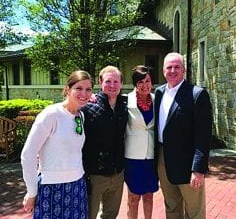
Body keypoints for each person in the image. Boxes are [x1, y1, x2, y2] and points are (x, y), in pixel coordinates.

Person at [21, 70, 93, 219]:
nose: (84, 93)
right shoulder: (51, 114)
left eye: (88, 89)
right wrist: (32, 191)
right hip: (51, 188)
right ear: (68, 88)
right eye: (79, 88)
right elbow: (28, 154)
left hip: (77, 187)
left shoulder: (81, 115)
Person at [154, 52, 213, 219]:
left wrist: (198, 169)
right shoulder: (159, 93)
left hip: (188, 163)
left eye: (177, 67)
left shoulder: (197, 94)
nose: (172, 70)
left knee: (195, 212)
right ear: (163, 70)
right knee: (171, 207)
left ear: (184, 70)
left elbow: (204, 136)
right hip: (163, 160)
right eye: (169, 67)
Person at [82, 66, 128, 219]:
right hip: (95, 174)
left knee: (110, 215)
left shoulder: (125, 105)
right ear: (100, 82)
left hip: (118, 173)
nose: (112, 85)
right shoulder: (87, 107)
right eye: (108, 81)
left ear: (121, 83)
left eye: (116, 81)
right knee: (89, 214)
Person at [124, 66, 159, 219]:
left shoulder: (157, 99)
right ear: (135, 84)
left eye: (148, 81)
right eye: (140, 82)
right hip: (133, 157)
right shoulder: (125, 100)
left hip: (151, 156)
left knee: (149, 196)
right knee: (133, 198)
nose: (145, 85)